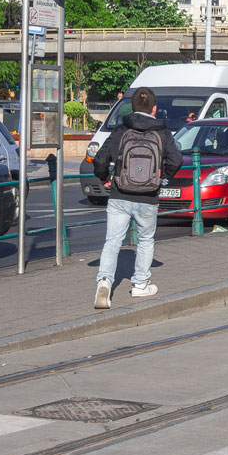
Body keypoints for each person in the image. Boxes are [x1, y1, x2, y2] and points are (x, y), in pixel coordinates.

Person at [92, 87, 182, 309]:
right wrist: (162, 177)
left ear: (132, 108)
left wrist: (104, 177)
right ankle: (140, 284)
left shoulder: (122, 130)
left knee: (113, 241)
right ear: (154, 108)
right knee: (145, 240)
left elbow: (100, 159)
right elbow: (176, 160)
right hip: (148, 196)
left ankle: (104, 283)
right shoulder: (162, 132)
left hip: (119, 194)